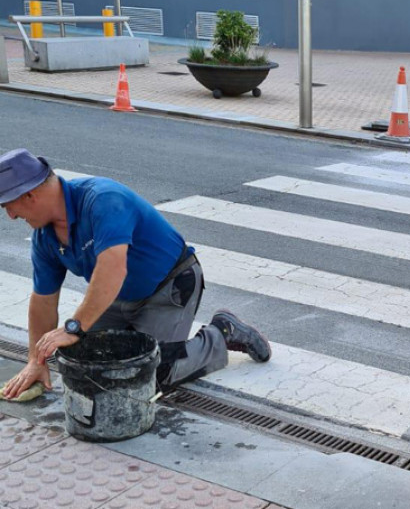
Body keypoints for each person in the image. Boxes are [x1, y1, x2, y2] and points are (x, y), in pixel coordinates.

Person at [0, 148, 271, 400]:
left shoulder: (102, 200)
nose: (10, 216)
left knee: (151, 375)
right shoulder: (44, 237)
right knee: (83, 359)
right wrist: (36, 362)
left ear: (29, 195)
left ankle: (221, 333)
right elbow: (43, 301)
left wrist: (75, 326)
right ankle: (137, 333)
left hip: (169, 287)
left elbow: (113, 268)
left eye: (7, 206)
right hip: (117, 297)